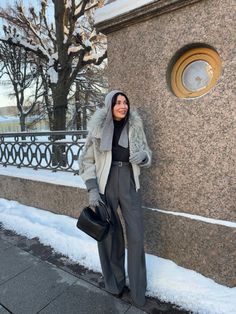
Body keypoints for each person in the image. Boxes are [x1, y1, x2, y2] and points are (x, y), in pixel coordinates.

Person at [79, 90, 152, 307]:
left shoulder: (135, 126)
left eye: (125, 102)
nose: (123, 106)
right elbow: (86, 161)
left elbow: (147, 151)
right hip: (105, 184)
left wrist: (145, 157)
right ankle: (115, 284)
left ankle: (139, 291)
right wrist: (92, 188)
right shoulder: (97, 128)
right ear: (109, 105)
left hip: (129, 181)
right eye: (118, 102)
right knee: (111, 238)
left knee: (136, 236)